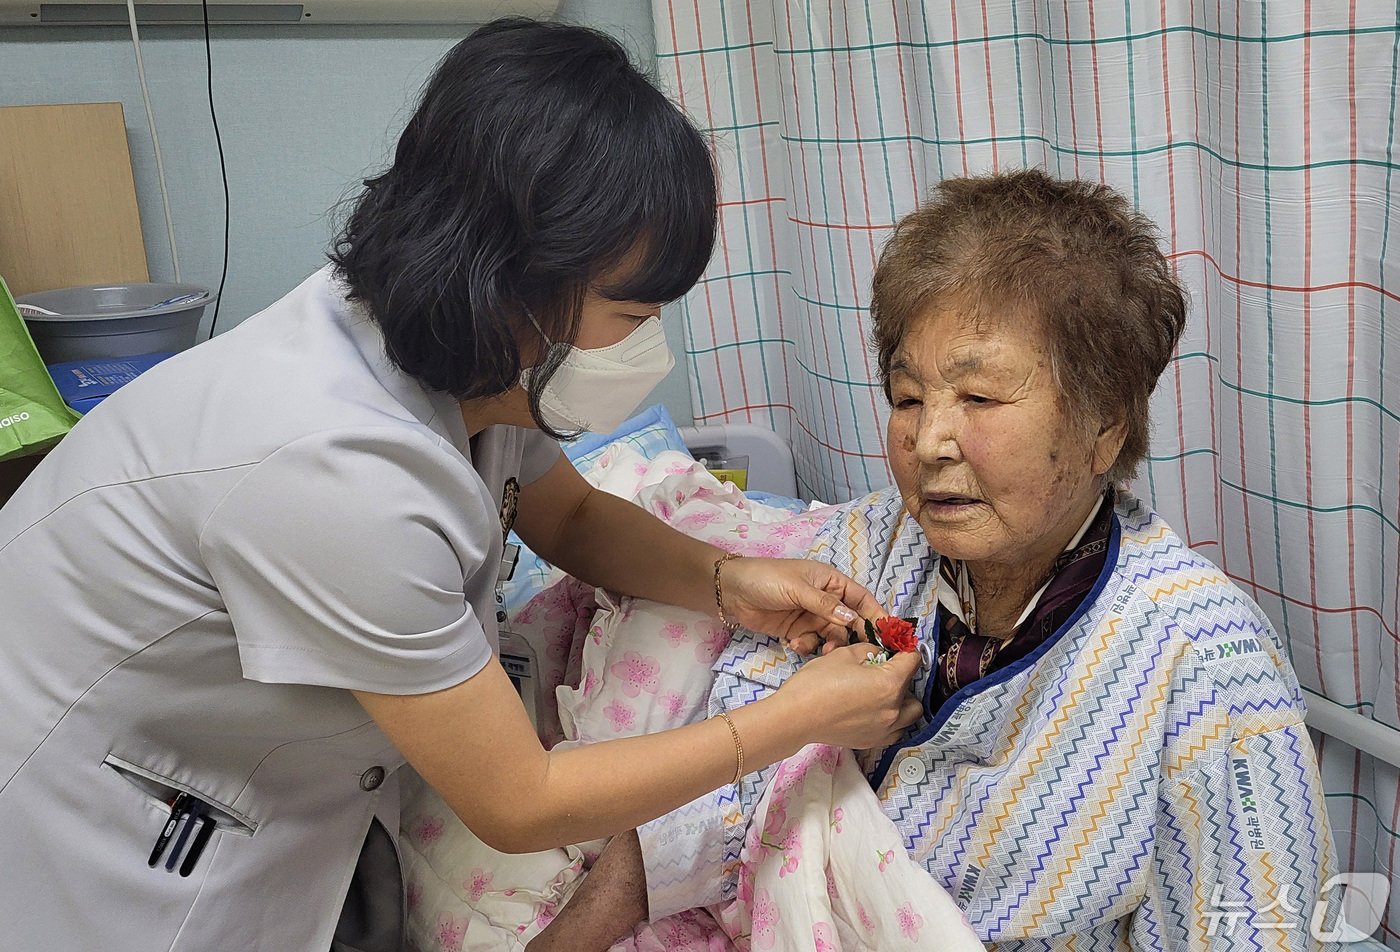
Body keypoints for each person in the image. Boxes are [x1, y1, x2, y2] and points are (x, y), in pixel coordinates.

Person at [0, 19, 923, 952]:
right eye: (631, 314)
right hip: (108, 827)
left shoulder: (468, 360)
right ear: (507, 282)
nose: (647, 348)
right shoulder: (335, 475)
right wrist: (793, 720)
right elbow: (520, 802)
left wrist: (729, 579)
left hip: (282, 789)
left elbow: (564, 513)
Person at [539, 169, 1342, 951]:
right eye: (907, 397)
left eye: (980, 399)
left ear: (1104, 424)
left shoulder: (1207, 668)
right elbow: (716, 795)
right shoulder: (867, 547)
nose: (927, 444)